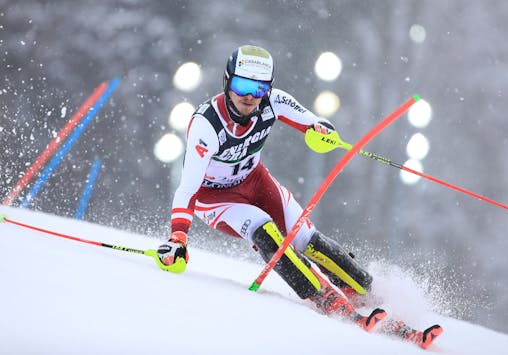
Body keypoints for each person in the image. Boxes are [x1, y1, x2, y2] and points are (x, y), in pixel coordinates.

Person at [156, 45, 441, 347]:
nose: (250, 96)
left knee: (306, 238)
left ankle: (366, 291)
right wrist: (178, 238)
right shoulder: (206, 124)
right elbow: (187, 187)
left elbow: (312, 122)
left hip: (254, 181)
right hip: (215, 198)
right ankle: (324, 296)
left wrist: (323, 131)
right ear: (227, 81)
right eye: (242, 85)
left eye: (259, 87)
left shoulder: (272, 103)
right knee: (264, 229)